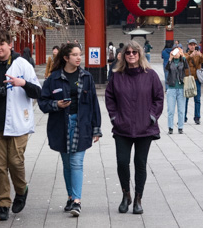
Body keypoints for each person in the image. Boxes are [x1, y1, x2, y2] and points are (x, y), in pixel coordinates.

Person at [0, 29, 41, 221]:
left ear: (10, 44)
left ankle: (21, 190)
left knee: (15, 162)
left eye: (2, 44)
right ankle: (3, 203)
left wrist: (23, 83)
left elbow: (37, 91)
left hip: (17, 123)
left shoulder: (22, 65)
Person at [38, 43, 102, 217]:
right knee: (67, 164)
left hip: (82, 124)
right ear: (66, 58)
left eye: (80, 54)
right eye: (74, 55)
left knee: (76, 163)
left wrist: (96, 128)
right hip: (61, 124)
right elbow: (43, 103)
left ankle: (76, 201)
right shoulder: (54, 78)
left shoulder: (86, 76)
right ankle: (70, 196)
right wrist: (56, 104)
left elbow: (94, 104)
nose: (79, 58)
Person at [105, 41, 164, 215]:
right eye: (128, 52)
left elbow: (159, 98)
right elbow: (110, 98)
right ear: (123, 55)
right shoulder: (117, 76)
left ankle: (138, 198)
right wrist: (114, 117)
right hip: (122, 127)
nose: (131, 54)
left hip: (144, 128)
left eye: (134, 52)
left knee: (140, 163)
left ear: (140, 54)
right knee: (122, 162)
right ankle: (126, 195)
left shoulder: (150, 75)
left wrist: (152, 116)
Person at [165, 46, 189, 134]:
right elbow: (166, 69)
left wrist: (183, 57)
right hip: (171, 88)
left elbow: (187, 68)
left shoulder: (183, 61)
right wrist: (170, 58)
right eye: (175, 52)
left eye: (178, 52)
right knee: (170, 110)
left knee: (181, 110)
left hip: (181, 88)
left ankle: (180, 127)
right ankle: (170, 127)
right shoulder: (170, 62)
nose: (176, 54)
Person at [184, 38, 203, 124]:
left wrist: (200, 55)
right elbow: (184, 61)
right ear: (188, 46)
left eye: (194, 45)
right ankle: (184, 117)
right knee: (185, 99)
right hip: (188, 78)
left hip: (196, 79)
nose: (192, 46)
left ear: (196, 46)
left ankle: (197, 117)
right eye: (191, 45)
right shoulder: (186, 54)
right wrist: (190, 56)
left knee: (197, 99)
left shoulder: (198, 54)